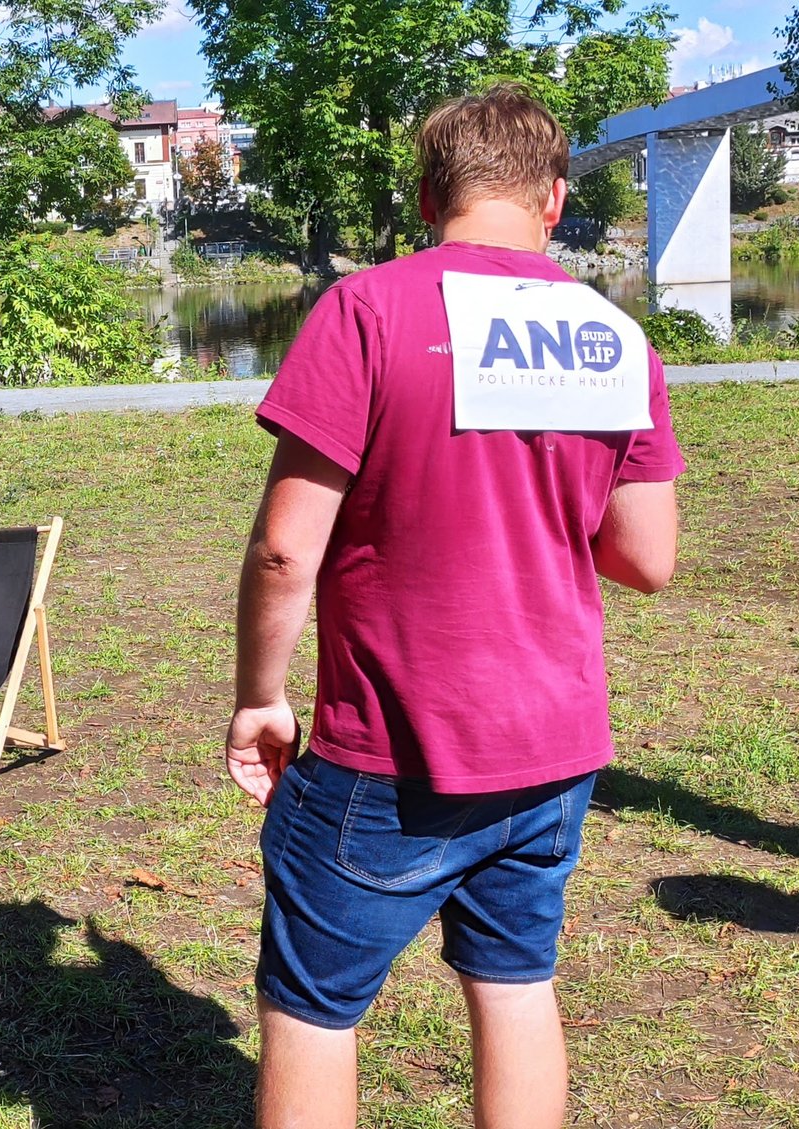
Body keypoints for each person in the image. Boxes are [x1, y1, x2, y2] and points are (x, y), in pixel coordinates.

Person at [224, 84, 685, 1129]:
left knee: (312, 1006)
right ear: (554, 199)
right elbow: (646, 558)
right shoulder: (614, 336)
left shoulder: (366, 309)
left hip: (390, 752)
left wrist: (259, 697)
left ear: (429, 195)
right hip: (554, 747)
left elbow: (286, 545)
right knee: (515, 983)